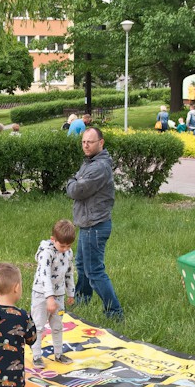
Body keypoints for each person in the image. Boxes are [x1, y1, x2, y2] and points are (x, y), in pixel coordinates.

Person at [66, 127, 123, 319]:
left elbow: (77, 190)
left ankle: (114, 312)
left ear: (101, 143)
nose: (86, 145)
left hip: (95, 225)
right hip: (87, 224)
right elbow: (76, 183)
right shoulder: (90, 162)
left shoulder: (99, 167)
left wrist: (72, 182)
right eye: (83, 142)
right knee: (82, 265)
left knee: (94, 271)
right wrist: (74, 181)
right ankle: (82, 300)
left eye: (90, 142)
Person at [30, 219, 76, 368]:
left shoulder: (68, 253)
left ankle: (58, 353)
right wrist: (49, 298)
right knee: (38, 326)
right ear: (53, 240)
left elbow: (69, 273)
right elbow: (45, 276)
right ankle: (37, 356)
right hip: (41, 294)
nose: (65, 249)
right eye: (62, 245)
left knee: (57, 325)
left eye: (69, 245)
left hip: (59, 295)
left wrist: (71, 293)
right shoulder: (46, 254)